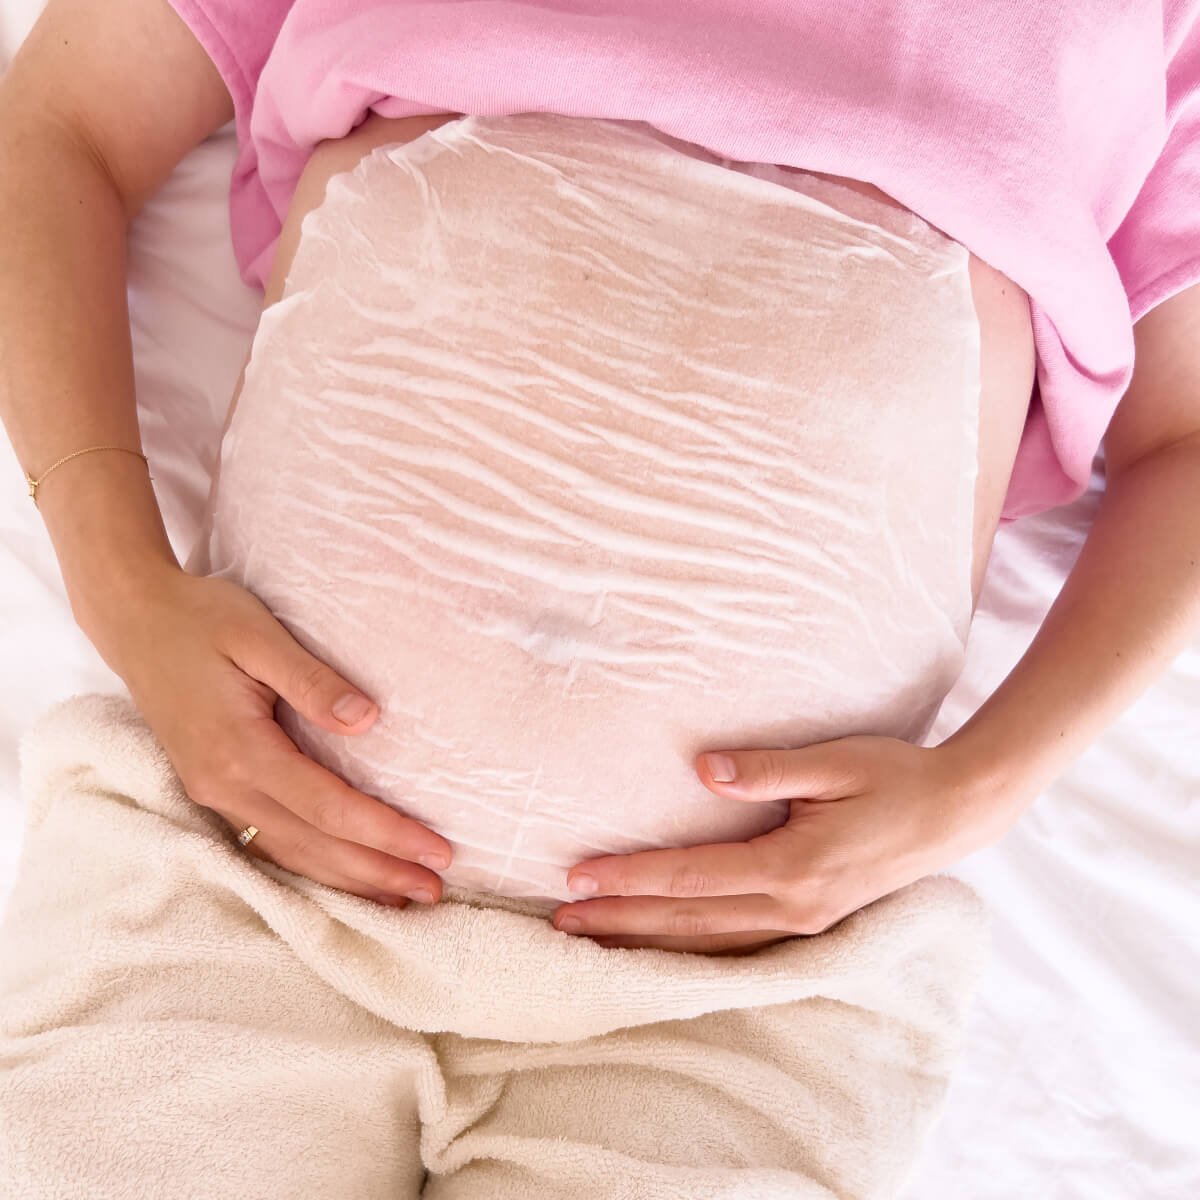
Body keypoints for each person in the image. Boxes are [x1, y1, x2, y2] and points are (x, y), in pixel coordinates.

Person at [1, 0, 1198, 963]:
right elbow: (54, 128)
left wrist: (987, 786)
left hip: (750, 967)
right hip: (235, 853)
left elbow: (1186, 444)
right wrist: (119, 588)